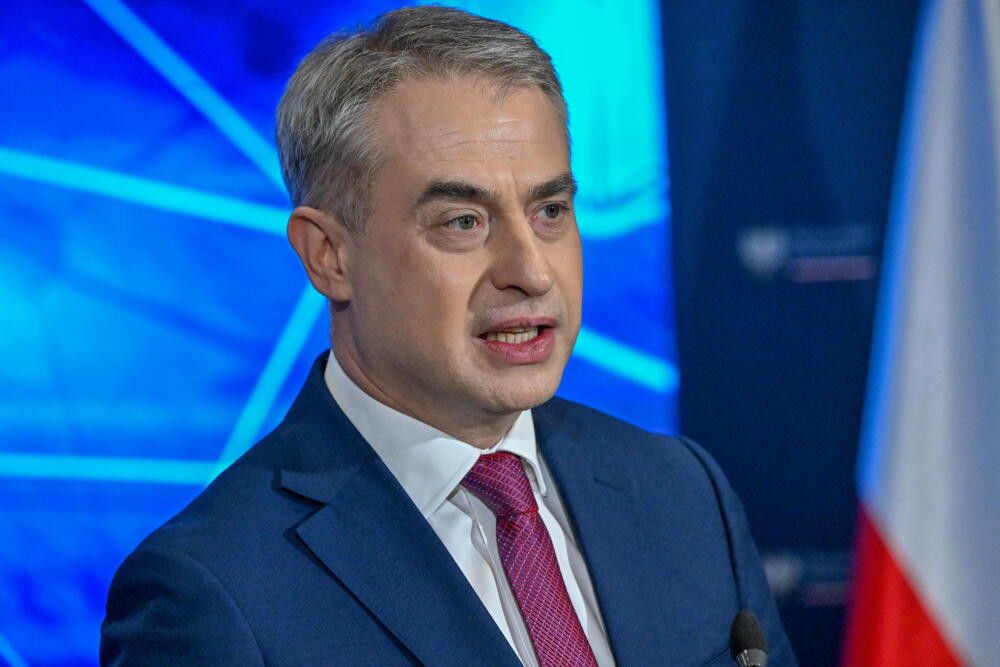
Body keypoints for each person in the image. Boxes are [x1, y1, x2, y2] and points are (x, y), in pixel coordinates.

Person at [100, 6, 796, 666]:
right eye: (463, 222)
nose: (531, 271)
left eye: (550, 210)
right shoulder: (211, 592)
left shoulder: (683, 491)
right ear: (329, 256)